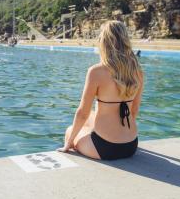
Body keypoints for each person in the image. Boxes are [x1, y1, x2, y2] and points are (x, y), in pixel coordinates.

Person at [58, 21, 143, 160]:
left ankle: (79, 137)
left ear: (103, 42)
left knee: (69, 130)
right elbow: (134, 110)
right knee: (92, 115)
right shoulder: (138, 72)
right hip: (131, 145)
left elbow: (82, 113)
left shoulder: (96, 72)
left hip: (105, 148)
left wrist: (68, 143)